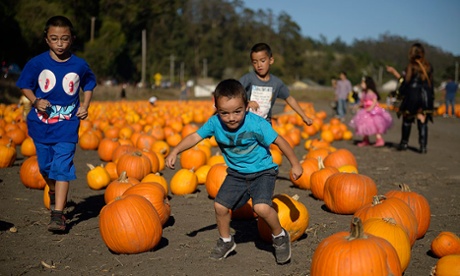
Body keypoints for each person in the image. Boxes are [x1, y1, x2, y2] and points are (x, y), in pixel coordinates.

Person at [165, 79, 303, 264]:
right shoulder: (215, 123)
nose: (231, 118)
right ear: (216, 108)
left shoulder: (256, 124)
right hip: (237, 173)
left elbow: (280, 141)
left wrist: (295, 164)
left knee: (261, 207)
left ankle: (279, 235)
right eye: (225, 113)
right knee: (220, 206)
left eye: (237, 111)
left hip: (263, 171)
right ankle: (226, 241)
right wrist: (175, 151)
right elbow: (194, 137)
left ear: (246, 106)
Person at [16, 15, 97, 232]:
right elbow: (24, 85)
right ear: (46, 39)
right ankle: (52, 189)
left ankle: (58, 215)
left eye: (64, 39)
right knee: (45, 167)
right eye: (54, 39)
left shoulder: (80, 64)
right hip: (41, 124)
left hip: (68, 124)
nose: (60, 44)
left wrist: (85, 105)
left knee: (62, 167)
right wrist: (35, 101)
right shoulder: (37, 63)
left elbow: (89, 83)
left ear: (72, 39)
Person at [239, 43, 313, 126]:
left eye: (262, 61)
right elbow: (234, 93)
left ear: (271, 60)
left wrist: (304, 116)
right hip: (247, 123)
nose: (259, 65)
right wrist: (247, 102)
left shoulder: (276, 83)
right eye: (255, 62)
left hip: (265, 124)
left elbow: (289, 98)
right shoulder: (248, 78)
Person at [386, 42, 434, 154]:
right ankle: (423, 146)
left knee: (407, 119)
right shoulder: (428, 66)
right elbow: (431, 83)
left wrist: (399, 93)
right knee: (422, 119)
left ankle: (404, 143)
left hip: (412, 96)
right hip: (425, 96)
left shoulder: (411, 66)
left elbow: (406, 82)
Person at [349, 76, 393, 147]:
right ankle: (365, 140)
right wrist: (358, 106)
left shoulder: (371, 92)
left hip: (373, 111)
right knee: (364, 126)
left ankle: (379, 140)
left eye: (363, 83)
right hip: (365, 111)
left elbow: (375, 101)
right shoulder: (364, 93)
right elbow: (363, 102)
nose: (362, 84)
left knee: (376, 126)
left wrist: (371, 108)